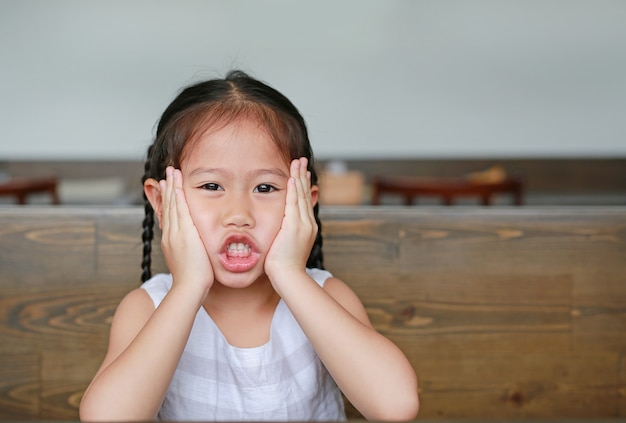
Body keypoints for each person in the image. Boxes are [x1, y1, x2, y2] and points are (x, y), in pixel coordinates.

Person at [79, 70, 419, 422]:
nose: (239, 214)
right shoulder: (149, 308)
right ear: (162, 202)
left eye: (265, 188)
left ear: (305, 202)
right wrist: (189, 286)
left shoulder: (324, 295)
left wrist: (289, 273)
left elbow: (396, 406)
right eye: (211, 186)